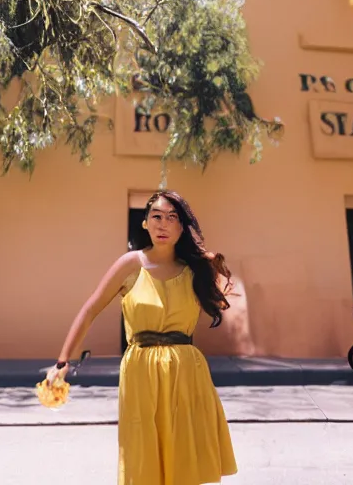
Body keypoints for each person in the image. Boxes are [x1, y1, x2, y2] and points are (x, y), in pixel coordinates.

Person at [46, 190, 238, 485]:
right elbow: (89, 310)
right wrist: (62, 361)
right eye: (156, 216)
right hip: (141, 370)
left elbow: (219, 292)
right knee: (142, 455)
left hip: (187, 371)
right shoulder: (130, 264)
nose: (163, 224)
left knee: (185, 455)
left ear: (181, 227)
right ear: (146, 223)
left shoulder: (195, 271)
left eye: (172, 218)